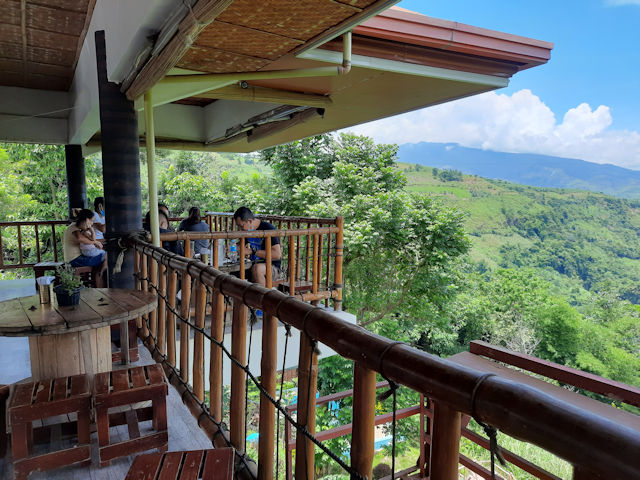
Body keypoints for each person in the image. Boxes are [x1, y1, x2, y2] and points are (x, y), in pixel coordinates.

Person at [233, 206, 283, 286]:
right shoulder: (247, 230)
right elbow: (239, 245)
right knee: (233, 273)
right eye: (238, 226)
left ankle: (263, 294)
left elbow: (277, 255)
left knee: (257, 269)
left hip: (272, 266)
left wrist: (252, 251)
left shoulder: (268, 228)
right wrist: (231, 248)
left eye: (241, 226)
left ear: (249, 221)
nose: (239, 229)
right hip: (252, 264)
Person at [63, 208, 107, 280]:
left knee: (101, 258)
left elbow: (91, 239)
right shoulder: (73, 227)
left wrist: (92, 231)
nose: (92, 223)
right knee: (106, 257)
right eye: (91, 221)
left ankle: (99, 279)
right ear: (86, 220)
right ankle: (102, 276)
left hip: (77, 258)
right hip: (75, 260)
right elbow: (80, 239)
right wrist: (95, 242)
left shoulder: (79, 229)